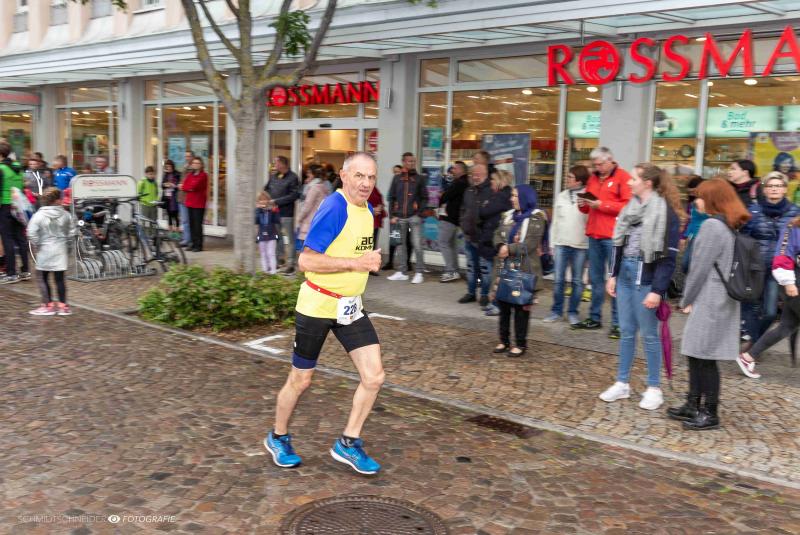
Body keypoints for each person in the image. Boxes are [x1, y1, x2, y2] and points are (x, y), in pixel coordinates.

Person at [265, 152, 385, 475]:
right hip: (318, 305)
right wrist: (356, 264)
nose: (366, 183)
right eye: (359, 176)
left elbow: (354, 252)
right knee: (301, 379)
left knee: (374, 376)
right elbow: (306, 261)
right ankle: (278, 436)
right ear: (344, 176)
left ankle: (348, 442)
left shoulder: (368, 210)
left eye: (371, 177)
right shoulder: (335, 207)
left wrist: (369, 261)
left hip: (350, 307)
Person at [599, 163, 683, 411]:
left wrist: (657, 290)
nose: (628, 182)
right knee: (626, 331)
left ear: (648, 183)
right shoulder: (629, 208)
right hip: (625, 275)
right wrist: (613, 274)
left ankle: (654, 388)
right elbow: (619, 244)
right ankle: (622, 382)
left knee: (649, 334)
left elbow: (668, 258)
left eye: (633, 178)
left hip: (645, 278)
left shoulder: (666, 213)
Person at [668, 178, 751, 431]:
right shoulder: (726, 224)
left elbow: (699, 268)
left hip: (711, 299)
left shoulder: (712, 226)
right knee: (697, 352)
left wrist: (686, 299)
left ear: (713, 199)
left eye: (701, 197)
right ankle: (693, 404)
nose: (696, 202)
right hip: (718, 298)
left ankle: (709, 412)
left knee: (705, 357)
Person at [574, 146, 632, 339]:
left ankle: (618, 323)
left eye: (599, 164)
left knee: (616, 280)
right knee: (595, 279)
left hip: (613, 236)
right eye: (594, 165)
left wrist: (603, 205)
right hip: (594, 234)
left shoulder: (623, 177)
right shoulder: (593, 178)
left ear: (610, 160)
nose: (597, 168)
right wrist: (583, 205)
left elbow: (628, 206)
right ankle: (594, 317)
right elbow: (587, 208)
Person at [740, 171, 800, 351]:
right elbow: (743, 238)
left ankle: (754, 343)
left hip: (779, 269)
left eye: (778, 186)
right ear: (764, 190)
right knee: (751, 306)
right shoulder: (754, 211)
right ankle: (754, 346)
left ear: (785, 189)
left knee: (770, 312)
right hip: (755, 266)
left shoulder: (794, 212)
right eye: (770, 186)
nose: (774, 189)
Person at [491, 181, 545, 356]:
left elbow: (530, 243)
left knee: (521, 307)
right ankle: (504, 340)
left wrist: (509, 249)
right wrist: (500, 245)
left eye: (515, 195)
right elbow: (497, 234)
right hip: (504, 267)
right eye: (512, 195)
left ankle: (520, 344)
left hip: (524, 269)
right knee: (504, 304)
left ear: (525, 198)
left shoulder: (536, 218)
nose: (512, 199)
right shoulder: (507, 216)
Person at [741, 216, 800, 377]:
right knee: (786, 327)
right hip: (794, 284)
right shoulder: (793, 227)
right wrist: (788, 283)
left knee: (786, 327)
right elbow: (783, 253)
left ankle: (748, 357)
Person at [459, 161, 511, 307]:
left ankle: (484, 295)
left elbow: (487, 212)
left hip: (484, 237)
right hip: (469, 235)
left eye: (478, 175)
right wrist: (463, 224)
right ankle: (471, 292)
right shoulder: (469, 191)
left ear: (485, 175)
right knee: (471, 267)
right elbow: (463, 209)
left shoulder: (492, 191)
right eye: (472, 174)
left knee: (485, 268)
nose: (475, 177)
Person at [545, 165, 590, 325]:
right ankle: (556, 311)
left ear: (579, 181)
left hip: (580, 245)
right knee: (558, 280)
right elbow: (555, 222)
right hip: (561, 243)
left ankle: (572, 312)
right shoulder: (561, 196)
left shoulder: (588, 196)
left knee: (577, 281)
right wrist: (552, 244)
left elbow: (591, 221)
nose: (567, 179)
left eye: (570, 177)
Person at [26, 187, 75, 316]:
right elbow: (72, 232)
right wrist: (67, 244)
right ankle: (63, 306)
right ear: (58, 200)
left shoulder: (39, 215)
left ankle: (48, 305)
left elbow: (31, 232)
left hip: (44, 250)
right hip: (60, 250)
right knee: (60, 279)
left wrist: (38, 243)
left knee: (43, 277)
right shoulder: (66, 215)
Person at [387, 152, 428, 284]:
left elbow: (425, 197)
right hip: (399, 217)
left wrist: (419, 212)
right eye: (409, 161)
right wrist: (392, 215)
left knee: (417, 244)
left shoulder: (420, 179)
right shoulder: (396, 178)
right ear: (404, 162)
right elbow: (391, 198)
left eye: (413, 161)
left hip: (414, 216)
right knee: (400, 245)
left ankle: (419, 272)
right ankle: (402, 272)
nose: (412, 163)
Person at [0, 141, 31, 284]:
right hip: (17, 206)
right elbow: (22, 187)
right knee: (20, 238)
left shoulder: (1, 168)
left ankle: (11, 273)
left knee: (7, 239)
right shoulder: (18, 167)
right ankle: (25, 271)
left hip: (5, 206)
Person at [265, 156, 300, 274]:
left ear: (283, 164)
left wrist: (276, 201)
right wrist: (264, 199)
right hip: (273, 212)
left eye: (276, 163)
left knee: (288, 239)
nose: (274, 165)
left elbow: (294, 195)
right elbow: (266, 190)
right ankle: (278, 260)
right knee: (277, 238)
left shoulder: (293, 177)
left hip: (286, 214)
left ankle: (291, 264)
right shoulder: (274, 176)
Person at [438, 160, 469, 283]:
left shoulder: (459, 183)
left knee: (443, 242)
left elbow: (445, 197)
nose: (452, 170)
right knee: (451, 245)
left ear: (461, 170)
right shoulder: (465, 182)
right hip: (455, 218)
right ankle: (454, 271)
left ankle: (450, 271)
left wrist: (442, 195)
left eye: (455, 168)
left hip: (450, 217)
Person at [296, 165, 330, 253]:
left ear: (314, 174)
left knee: (307, 253)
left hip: (309, 223)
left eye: (309, 173)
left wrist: (299, 218)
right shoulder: (323, 187)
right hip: (319, 222)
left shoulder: (314, 188)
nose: (307, 176)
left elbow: (307, 206)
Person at [181, 156, 208, 252]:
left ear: (201, 165)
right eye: (194, 163)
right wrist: (189, 188)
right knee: (191, 225)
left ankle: (198, 245)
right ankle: (192, 244)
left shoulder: (204, 175)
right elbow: (184, 187)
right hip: (190, 203)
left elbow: (195, 186)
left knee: (197, 225)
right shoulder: (189, 175)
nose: (195, 165)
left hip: (199, 204)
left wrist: (189, 187)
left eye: (197, 163)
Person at [255, 191, 281, 274]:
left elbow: (277, 221)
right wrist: (258, 210)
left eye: (265, 199)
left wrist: (276, 211)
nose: (263, 201)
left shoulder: (271, 210)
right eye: (261, 200)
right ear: (258, 201)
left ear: (268, 200)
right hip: (261, 235)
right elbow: (256, 221)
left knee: (271, 253)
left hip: (272, 235)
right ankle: (265, 271)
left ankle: (273, 272)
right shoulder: (258, 210)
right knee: (263, 254)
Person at [367, 183, 385, 277]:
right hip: (366, 222)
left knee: (373, 245)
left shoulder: (375, 189)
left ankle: (370, 268)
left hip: (375, 221)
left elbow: (380, 200)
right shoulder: (361, 190)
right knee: (366, 245)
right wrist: (372, 209)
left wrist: (380, 207)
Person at [161, 160, 182, 237]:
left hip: (175, 198)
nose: (168, 168)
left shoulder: (177, 174)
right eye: (167, 167)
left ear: (172, 166)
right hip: (167, 198)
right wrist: (165, 185)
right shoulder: (165, 174)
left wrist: (174, 185)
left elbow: (180, 185)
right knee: (169, 215)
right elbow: (162, 185)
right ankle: (170, 233)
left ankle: (177, 234)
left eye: (169, 166)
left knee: (176, 216)